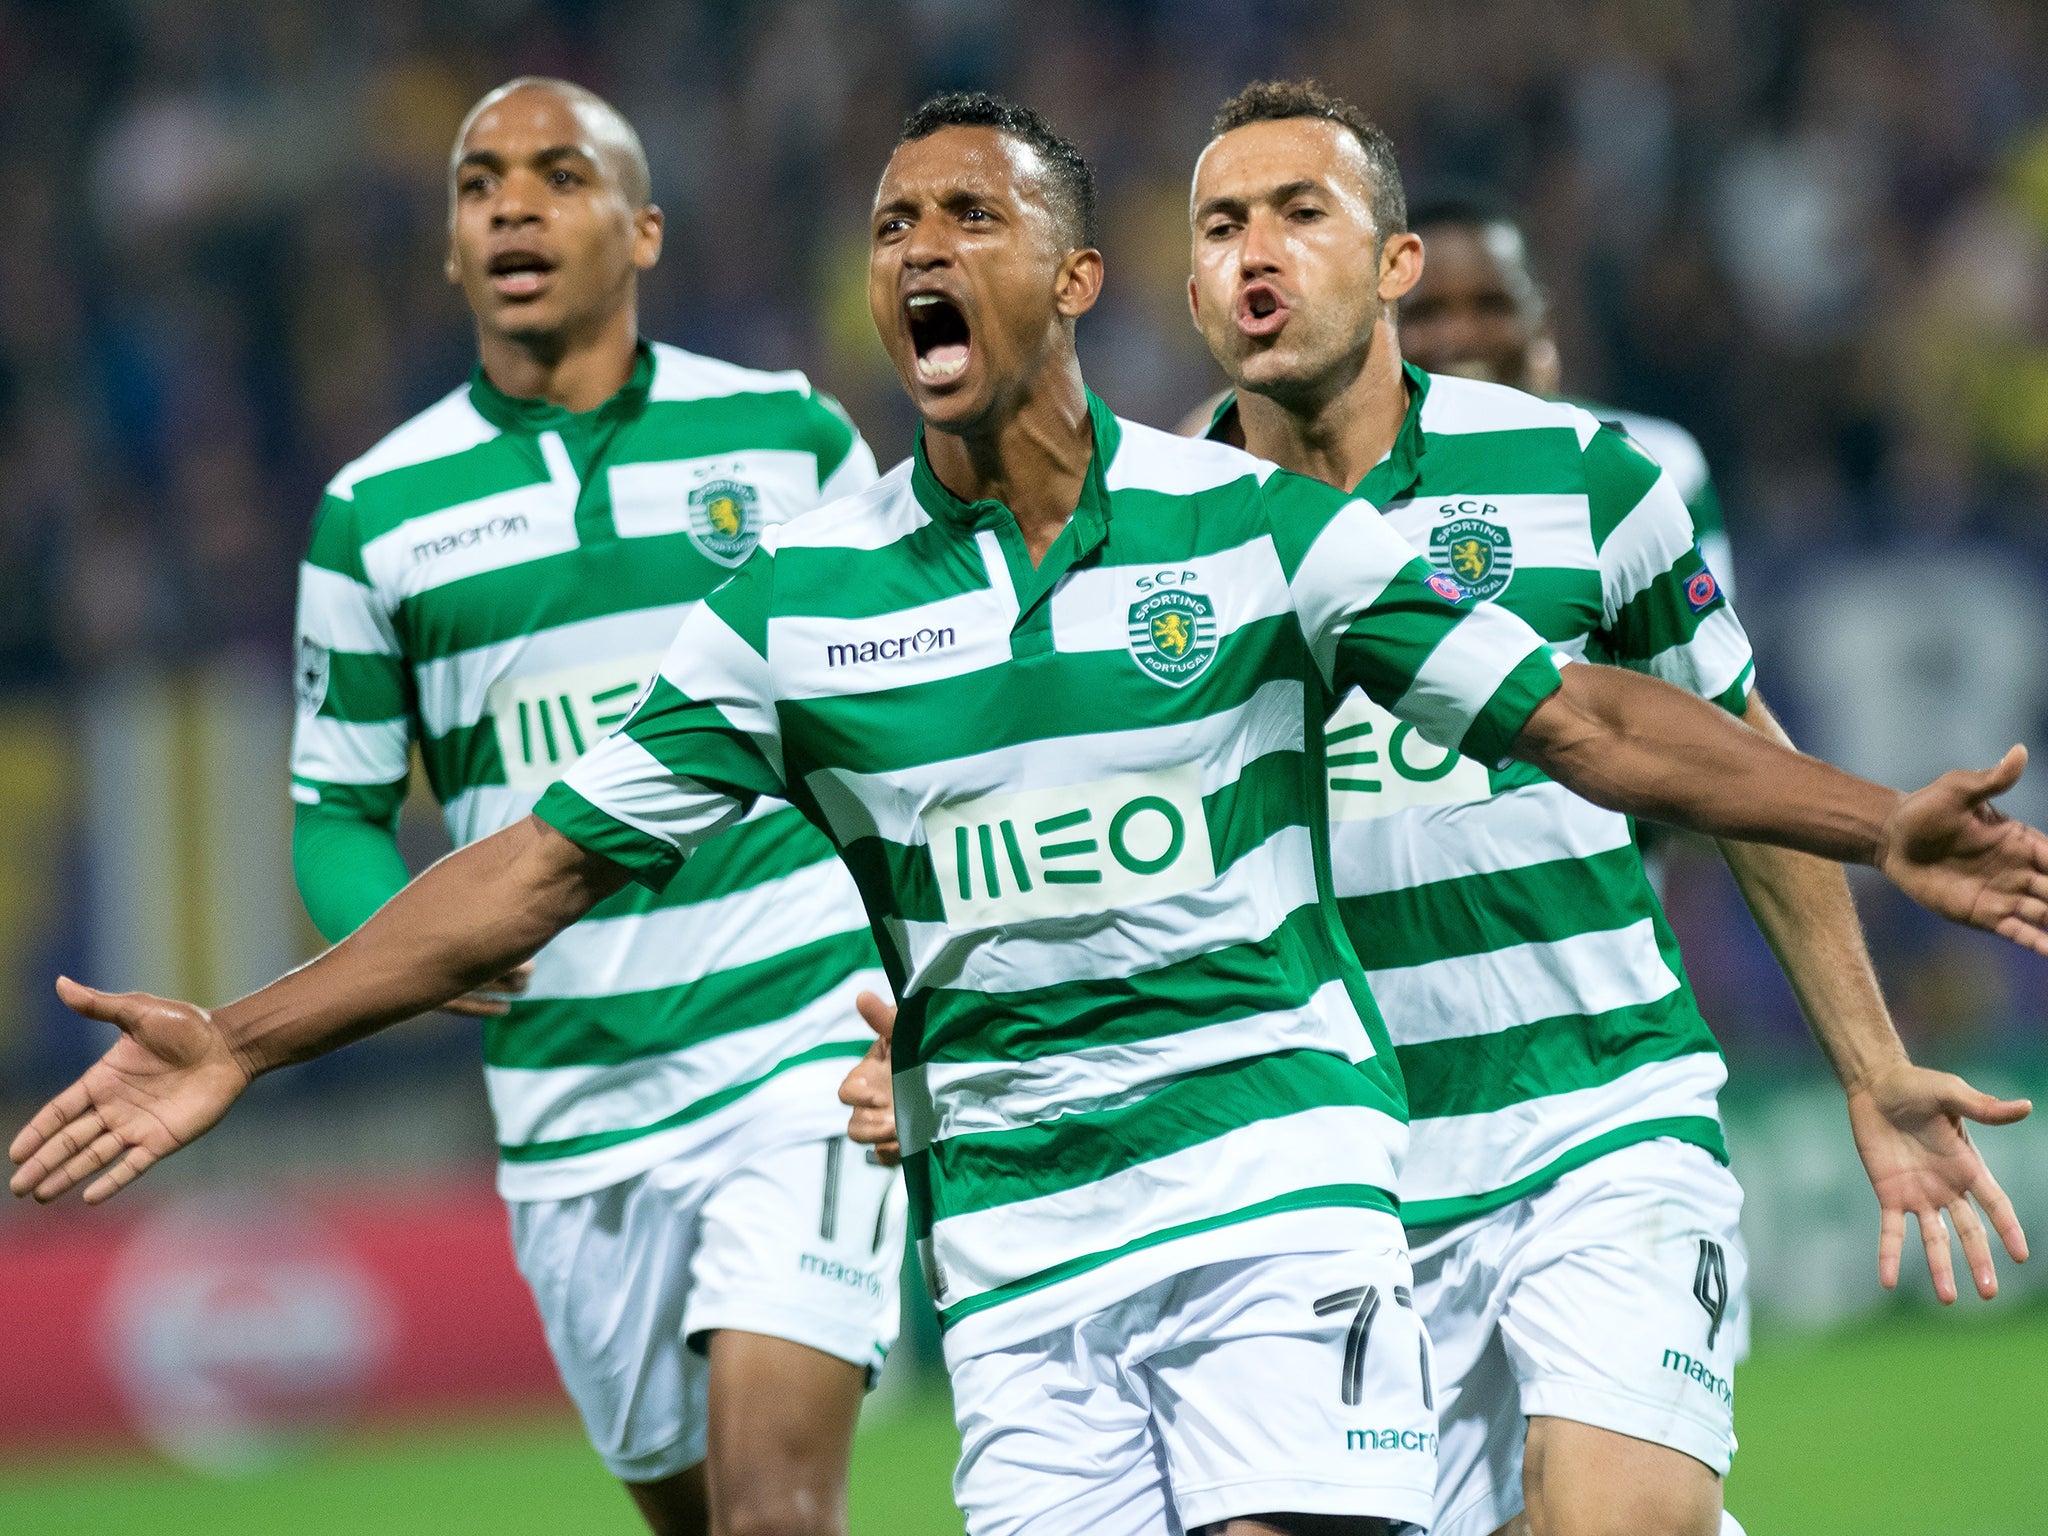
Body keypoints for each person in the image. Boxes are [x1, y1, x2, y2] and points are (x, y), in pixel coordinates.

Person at [15, 90, 2048, 1536]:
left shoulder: (1248, 534)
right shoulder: (794, 610)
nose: (915, 250)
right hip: (1015, 1260)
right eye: (891, 225)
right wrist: (248, 1036)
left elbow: (1586, 721)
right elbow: (533, 867)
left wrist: (1875, 821)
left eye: (964, 218)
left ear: (1070, 277)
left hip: (1279, 1186)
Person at [1181, 78, 2033, 1536]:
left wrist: (1874, 1064)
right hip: (1323, 1172)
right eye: (1220, 224)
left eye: (1300, 212)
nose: (1257, 250)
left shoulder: (1587, 478)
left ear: (1391, 261)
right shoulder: (1150, 539)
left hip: (1596, 1119)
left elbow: (1727, 760)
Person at [260, 77, 898, 1536]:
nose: (512, 205)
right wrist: (413, 943)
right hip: (570, 1106)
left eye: (559, 175)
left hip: (798, 1046)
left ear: (646, 229)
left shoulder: (788, 440)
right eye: (480, 184)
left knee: (777, 1515)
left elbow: (898, 714)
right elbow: (336, 815)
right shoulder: (380, 510)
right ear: (449, 248)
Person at [1392, 188, 1734, 593]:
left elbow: (1698, 648)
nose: (1462, 336)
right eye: (1425, 312)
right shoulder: (1347, 488)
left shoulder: (1653, 460)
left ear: (1543, 324)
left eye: (1492, 305)